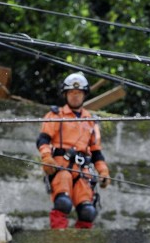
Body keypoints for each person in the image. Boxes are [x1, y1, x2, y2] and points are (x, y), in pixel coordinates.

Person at [37, 72, 111, 229]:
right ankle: (59, 240)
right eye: (71, 92)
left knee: (88, 212)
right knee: (63, 202)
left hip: (83, 171)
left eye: (78, 93)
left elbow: (96, 152)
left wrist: (103, 172)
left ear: (84, 95)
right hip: (61, 166)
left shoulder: (91, 121)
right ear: (65, 94)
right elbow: (43, 139)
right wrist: (46, 156)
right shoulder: (56, 115)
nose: (75, 96)